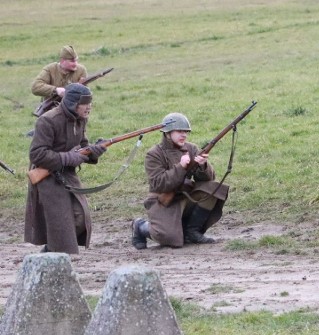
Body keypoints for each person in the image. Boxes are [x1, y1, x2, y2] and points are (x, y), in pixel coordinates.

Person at [25, 83, 107, 254]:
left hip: (67, 174)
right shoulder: (47, 120)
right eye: (85, 103)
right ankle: (50, 258)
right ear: (72, 103)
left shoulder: (81, 119)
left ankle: (49, 252)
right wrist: (69, 157)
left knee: (80, 218)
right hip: (47, 178)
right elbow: (37, 154)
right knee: (61, 225)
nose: (89, 107)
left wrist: (94, 151)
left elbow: (82, 146)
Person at [131, 113, 229, 250]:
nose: (184, 135)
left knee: (214, 189)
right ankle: (141, 226)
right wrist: (181, 167)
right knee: (168, 238)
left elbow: (208, 180)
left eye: (186, 132)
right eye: (179, 131)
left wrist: (203, 166)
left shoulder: (191, 148)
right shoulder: (154, 154)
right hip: (163, 200)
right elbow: (159, 183)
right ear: (167, 133)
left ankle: (192, 232)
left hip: (186, 195)